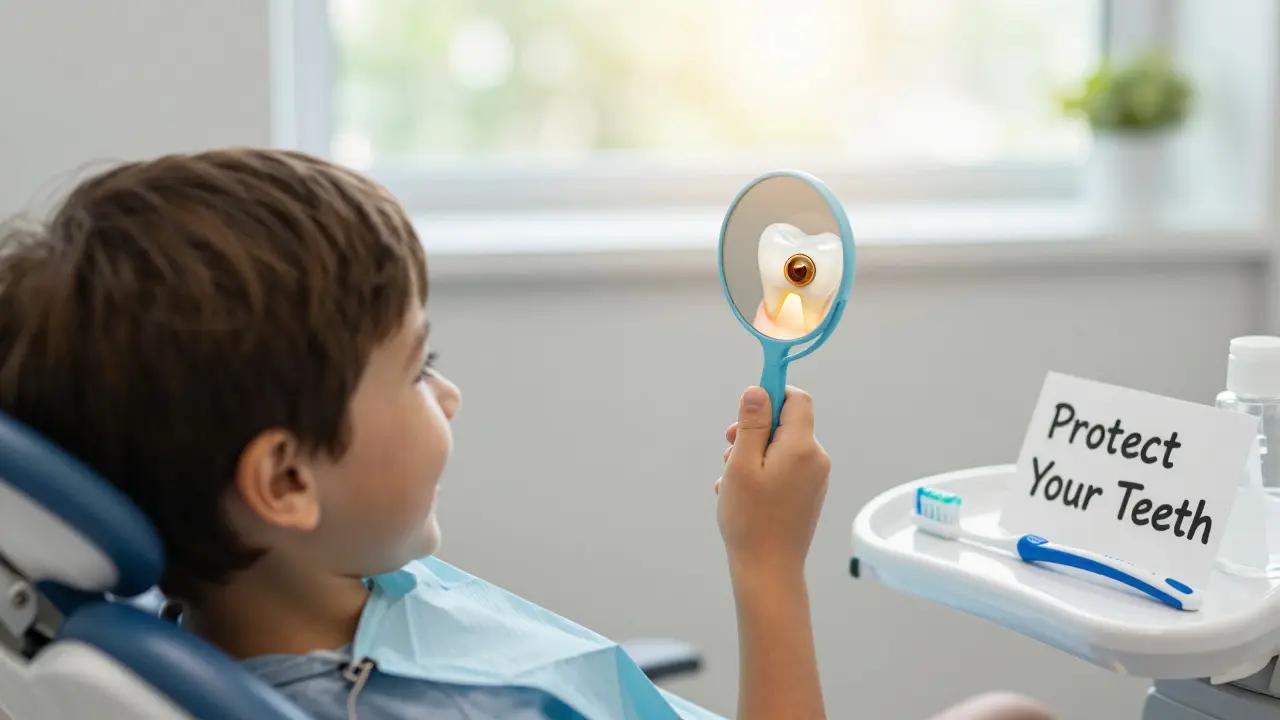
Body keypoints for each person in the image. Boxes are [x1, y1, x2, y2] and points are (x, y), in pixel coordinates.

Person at [0, 148, 1053, 720]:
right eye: (416, 368)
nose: (448, 396)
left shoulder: (330, 588)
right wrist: (767, 565)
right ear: (284, 480)